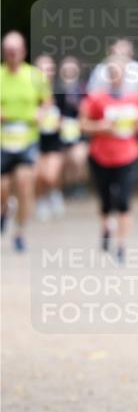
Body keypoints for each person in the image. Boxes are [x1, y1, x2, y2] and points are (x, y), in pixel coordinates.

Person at [80, 55, 138, 262]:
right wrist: (101, 127)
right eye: (112, 72)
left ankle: (121, 245)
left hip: (128, 155)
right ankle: (106, 228)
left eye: (119, 72)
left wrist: (136, 125)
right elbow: (83, 124)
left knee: (123, 200)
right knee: (106, 198)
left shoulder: (135, 97)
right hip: (101, 155)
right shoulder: (95, 98)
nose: (115, 76)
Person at [0, 31, 51, 251]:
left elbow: (47, 101)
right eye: (8, 51)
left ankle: (20, 231)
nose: (12, 54)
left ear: (23, 51)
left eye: (16, 50)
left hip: (27, 139)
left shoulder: (35, 76)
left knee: (24, 184)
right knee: (2, 189)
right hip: (3, 140)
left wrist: (41, 113)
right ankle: (5, 209)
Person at [33, 54, 66, 221]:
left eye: (49, 69)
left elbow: (68, 116)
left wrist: (61, 123)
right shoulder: (30, 91)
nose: (46, 72)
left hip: (54, 139)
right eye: (42, 69)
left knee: (50, 175)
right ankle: (41, 200)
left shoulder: (59, 91)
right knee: (38, 175)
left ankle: (54, 191)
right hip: (34, 138)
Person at [56, 56, 89, 197]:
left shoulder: (83, 87)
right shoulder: (55, 87)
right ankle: (66, 188)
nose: (69, 71)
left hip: (79, 129)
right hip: (60, 129)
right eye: (66, 68)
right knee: (64, 160)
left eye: (72, 68)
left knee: (78, 158)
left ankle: (78, 185)